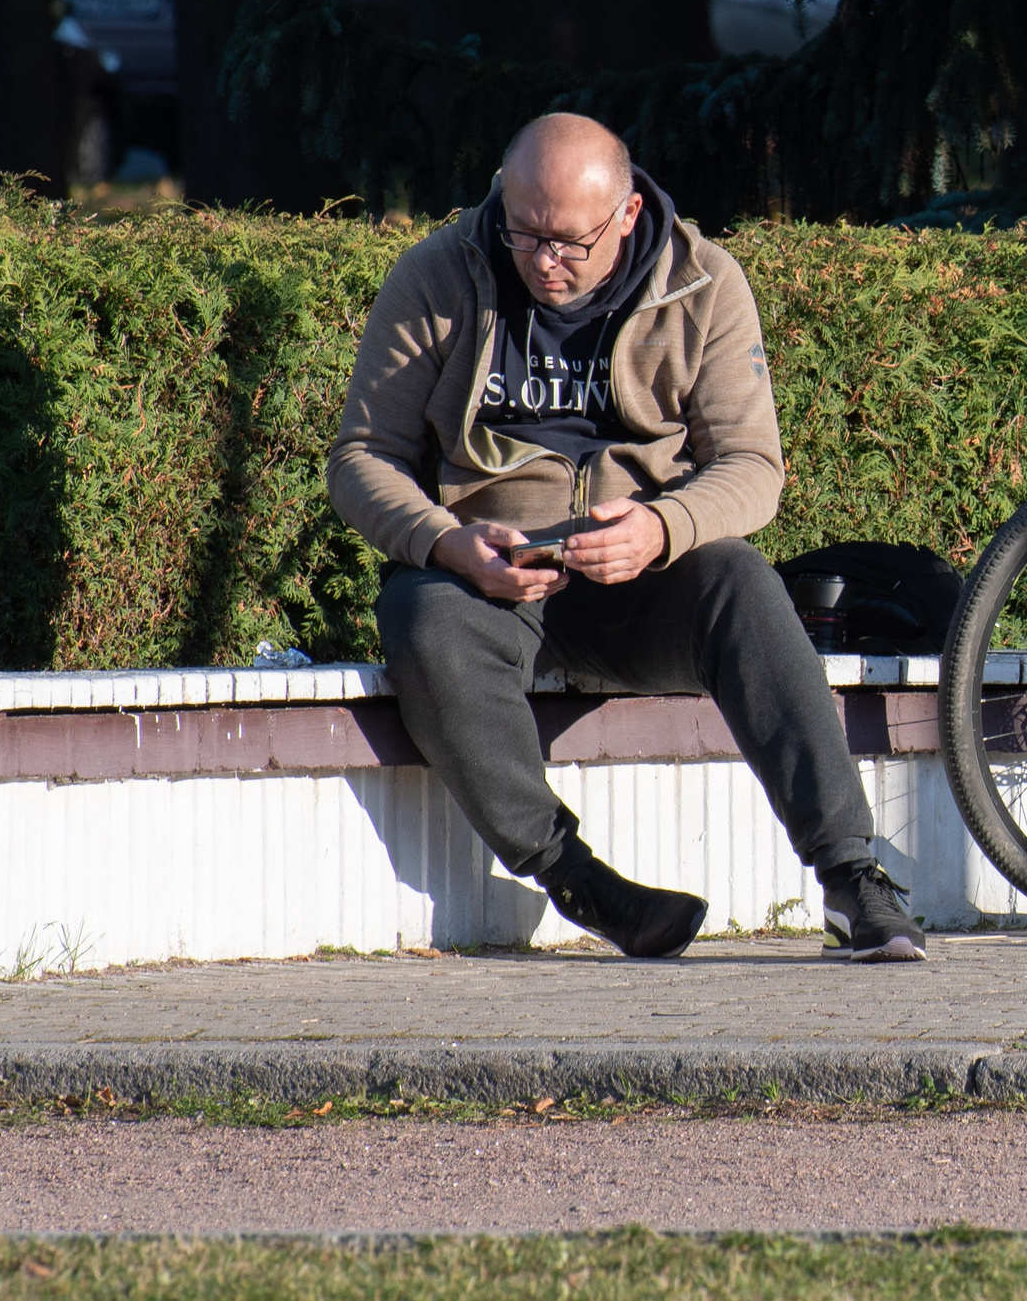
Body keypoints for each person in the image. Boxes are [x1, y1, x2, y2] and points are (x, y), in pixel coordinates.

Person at [327, 111, 925, 962]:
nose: (543, 261)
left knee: (742, 581)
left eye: (569, 242)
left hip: (639, 577)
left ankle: (852, 874)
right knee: (424, 619)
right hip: (488, 577)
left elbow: (753, 467)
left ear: (629, 214)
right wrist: (443, 542)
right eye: (523, 232)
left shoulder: (704, 284)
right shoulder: (436, 275)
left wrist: (662, 525)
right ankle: (574, 876)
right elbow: (362, 458)